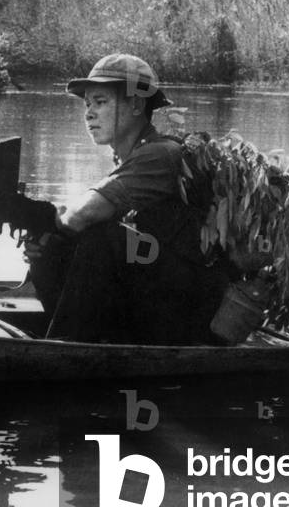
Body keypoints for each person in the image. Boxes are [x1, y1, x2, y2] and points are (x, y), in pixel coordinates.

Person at [25, 53, 228, 345]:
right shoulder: (133, 156)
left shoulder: (160, 154)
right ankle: (70, 337)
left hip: (190, 313)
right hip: (160, 300)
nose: (89, 113)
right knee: (50, 245)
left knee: (102, 236)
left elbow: (83, 215)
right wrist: (46, 235)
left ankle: (69, 347)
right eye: (87, 104)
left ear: (135, 105)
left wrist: (41, 214)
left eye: (101, 102)